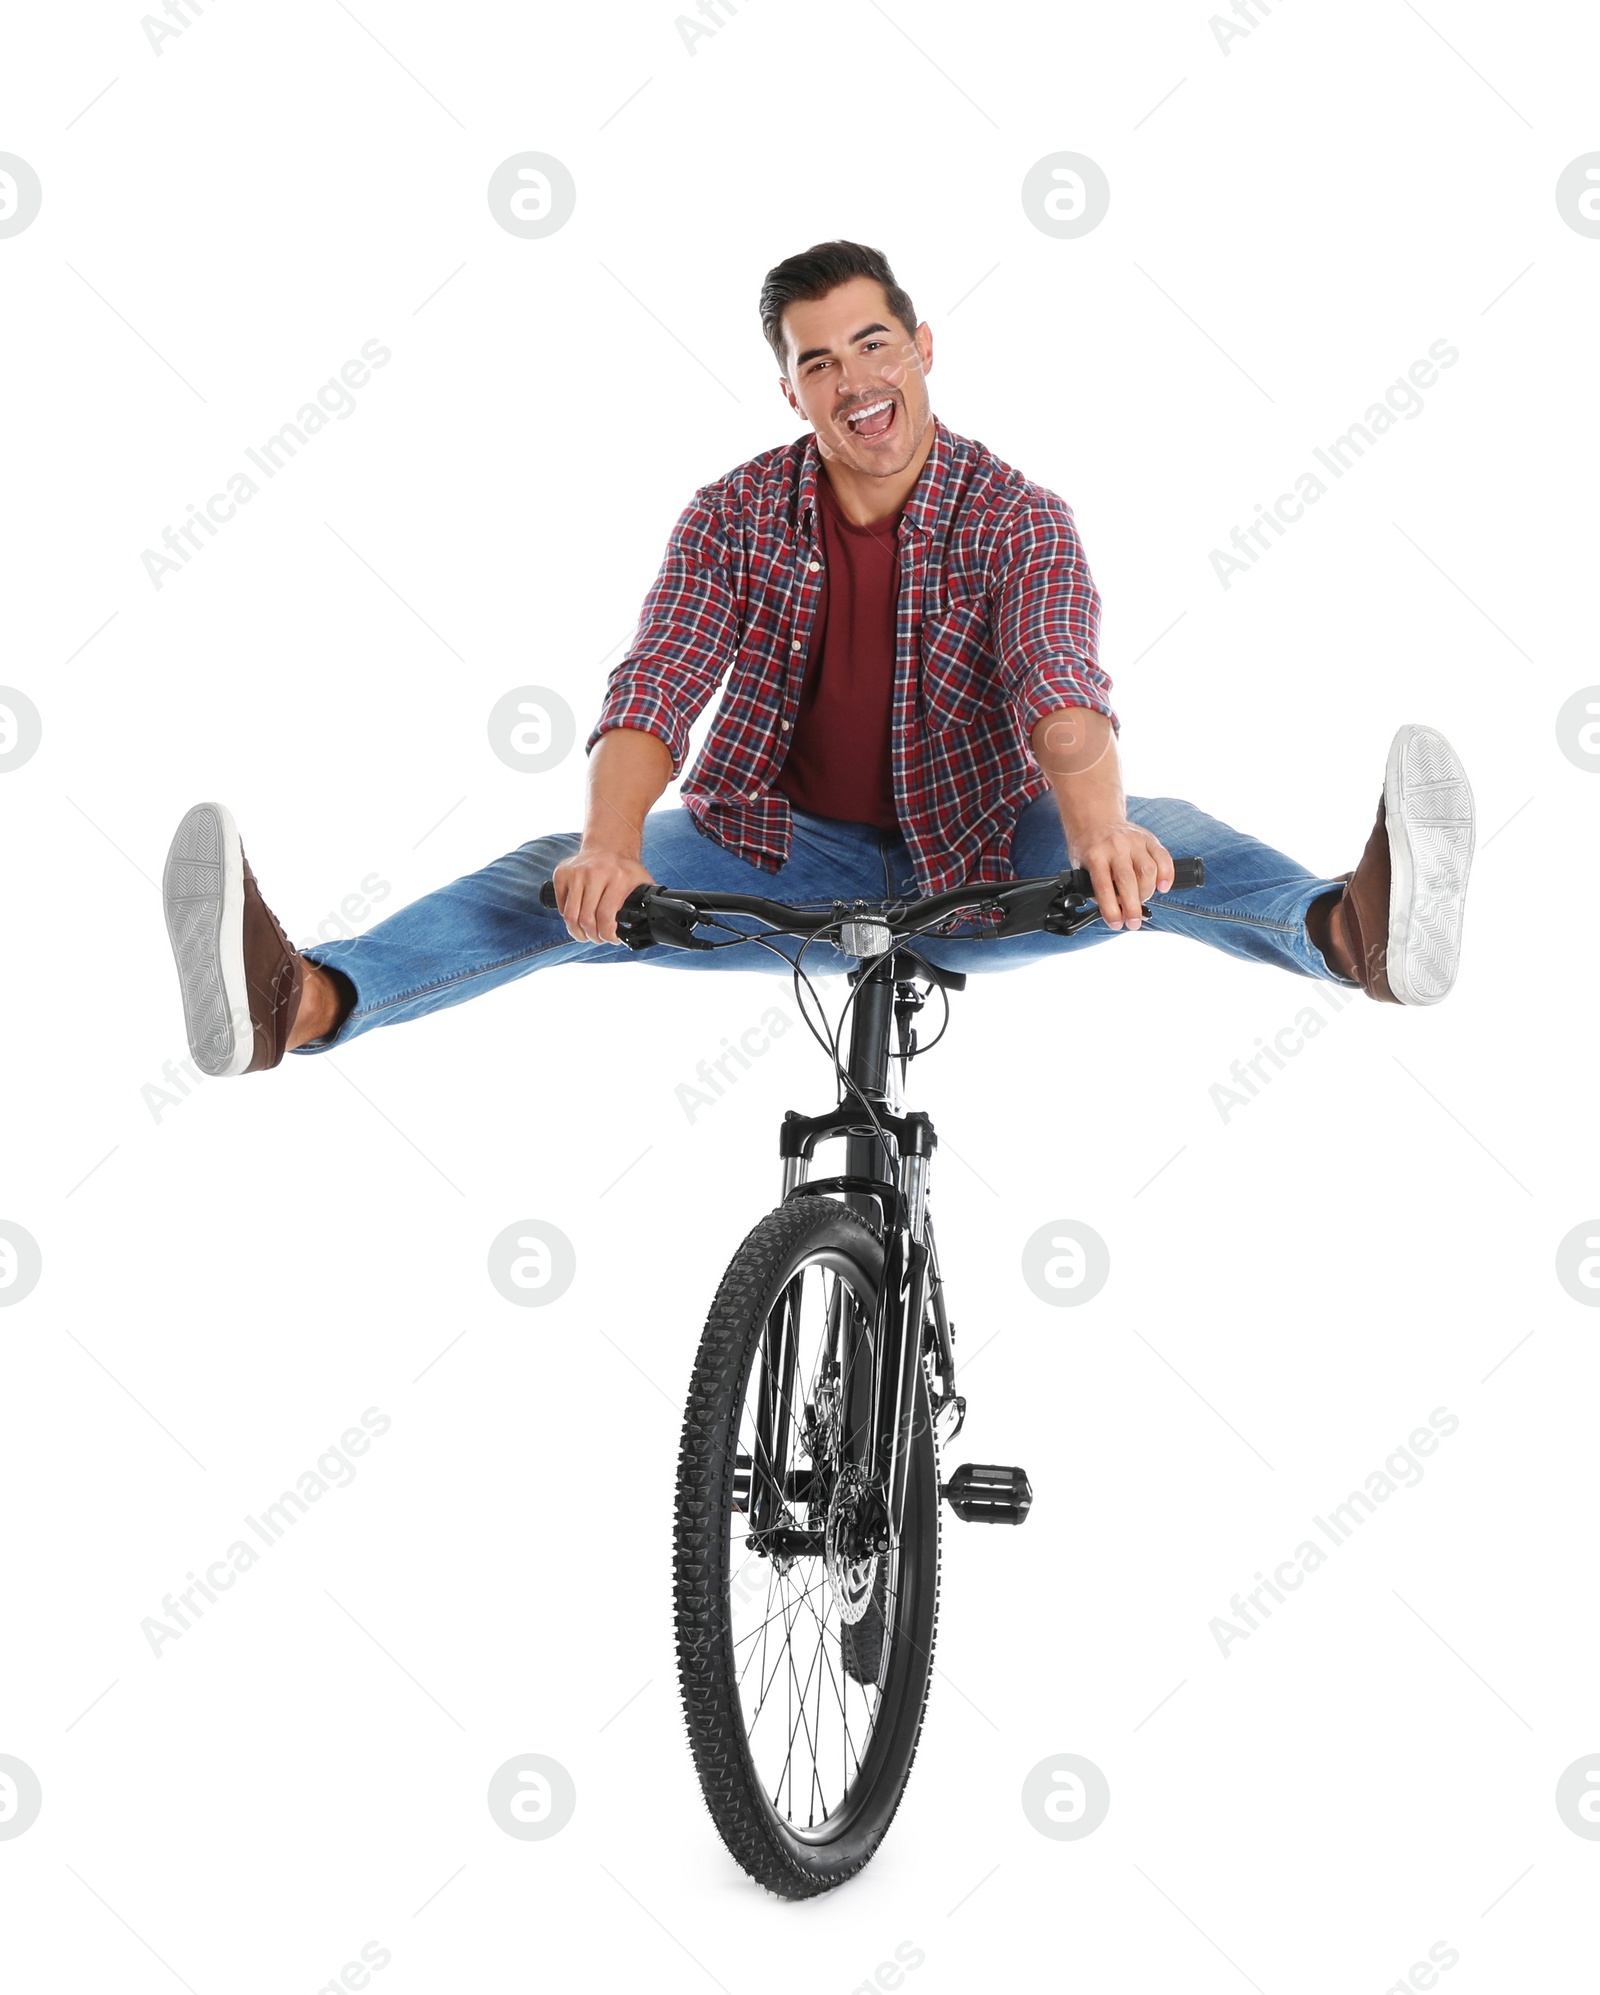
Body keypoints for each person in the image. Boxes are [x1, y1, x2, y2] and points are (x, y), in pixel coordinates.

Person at [161, 240, 1474, 1078]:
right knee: (540, 880)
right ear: (791, 389)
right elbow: (657, 688)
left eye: (873, 342)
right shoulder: (736, 513)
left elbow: (1056, 687)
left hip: (985, 848)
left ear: (920, 349)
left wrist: (1099, 831)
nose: (852, 375)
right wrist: (611, 846)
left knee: (1170, 835)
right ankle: (307, 1002)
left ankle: (1356, 937)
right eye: (817, 359)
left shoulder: (1013, 517)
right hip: (778, 849)